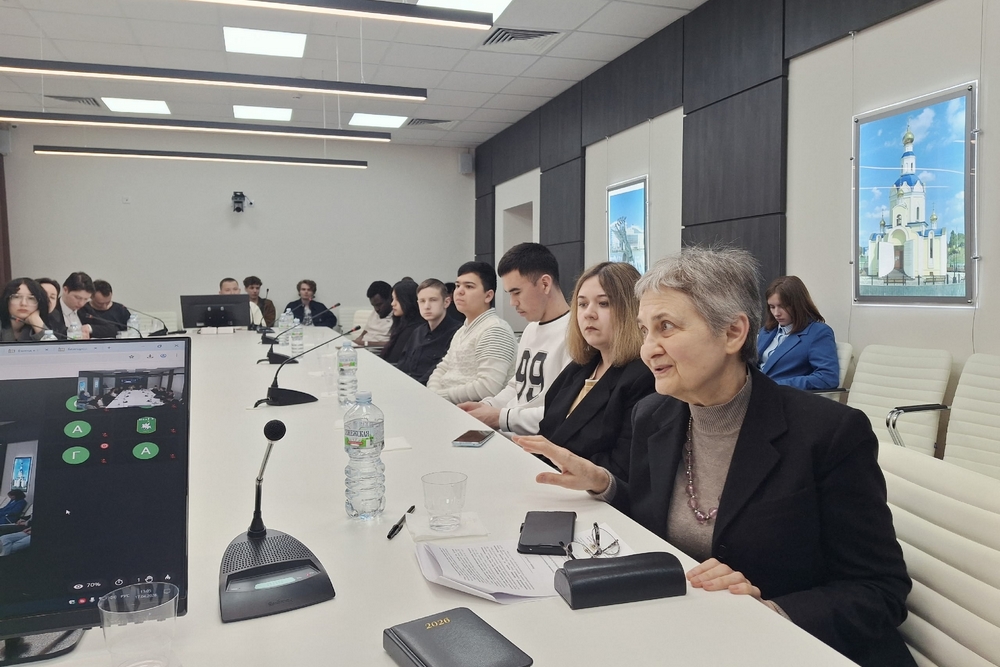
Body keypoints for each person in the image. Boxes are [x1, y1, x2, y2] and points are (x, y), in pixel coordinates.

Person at [515, 247, 914, 667]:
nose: (648, 349)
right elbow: (660, 518)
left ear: (733, 333)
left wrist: (772, 612)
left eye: (666, 327)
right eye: (645, 330)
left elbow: (880, 590)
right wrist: (606, 483)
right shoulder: (653, 415)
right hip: (690, 635)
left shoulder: (828, 433)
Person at [534, 262, 655, 480]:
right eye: (582, 304)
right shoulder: (578, 368)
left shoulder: (644, 377)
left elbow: (622, 468)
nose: (588, 314)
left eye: (604, 303)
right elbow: (545, 433)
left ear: (631, 310)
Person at [459, 243, 573, 434]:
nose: (512, 302)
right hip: (510, 433)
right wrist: (487, 406)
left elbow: (564, 413)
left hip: (536, 442)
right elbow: (518, 386)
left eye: (516, 292)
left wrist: (499, 417)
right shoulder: (530, 329)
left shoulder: (575, 335)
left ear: (545, 284)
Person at [427, 261, 517, 403]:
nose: (459, 291)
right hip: (446, 404)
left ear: (488, 296)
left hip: (471, 411)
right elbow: (442, 368)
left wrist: (440, 397)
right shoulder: (462, 331)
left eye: (469, 286)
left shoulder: (495, 330)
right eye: (458, 286)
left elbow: (488, 388)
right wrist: (432, 393)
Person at [757, 275, 839, 390]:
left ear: (797, 304)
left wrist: (777, 386)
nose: (776, 313)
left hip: (781, 395)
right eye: (772, 307)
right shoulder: (766, 331)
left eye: (782, 306)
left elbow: (827, 378)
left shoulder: (818, 333)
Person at [395, 279, 461, 385]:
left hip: (430, 389)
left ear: (446, 302)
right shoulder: (417, 332)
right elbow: (402, 365)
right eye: (422, 301)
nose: (426, 306)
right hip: (404, 385)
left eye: (433, 300)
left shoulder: (457, 333)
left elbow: (441, 373)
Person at [380, 280, 422, 364]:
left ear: (408, 300)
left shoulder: (415, 329)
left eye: (397, 299)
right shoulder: (402, 323)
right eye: (393, 299)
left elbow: (395, 359)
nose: (392, 303)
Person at [47, 272, 95, 339]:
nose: (81, 303)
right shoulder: (51, 309)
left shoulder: (86, 309)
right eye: (78, 298)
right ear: (65, 290)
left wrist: (89, 328)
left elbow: (109, 327)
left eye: (86, 299)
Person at [354, 281, 393, 346]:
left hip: (378, 351)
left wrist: (365, 343)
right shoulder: (376, 312)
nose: (376, 309)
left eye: (379, 304)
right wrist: (358, 339)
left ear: (390, 299)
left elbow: (394, 344)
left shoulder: (398, 316)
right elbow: (367, 330)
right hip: (364, 348)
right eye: (373, 305)